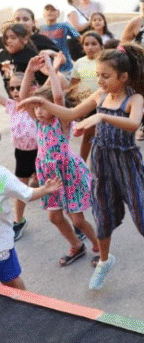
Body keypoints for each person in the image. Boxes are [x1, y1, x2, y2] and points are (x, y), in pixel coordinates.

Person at [19, 45, 144, 295]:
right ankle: (105, 261)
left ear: (123, 77)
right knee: (103, 216)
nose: (100, 81)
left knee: (143, 218)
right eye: (98, 75)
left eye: (105, 76)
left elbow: (133, 124)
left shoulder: (134, 99)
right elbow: (71, 113)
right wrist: (42, 102)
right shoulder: (100, 95)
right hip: (102, 161)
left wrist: (102, 117)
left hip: (126, 163)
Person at [20, 54, 100, 267]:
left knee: (78, 220)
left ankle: (99, 246)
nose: (39, 110)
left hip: (69, 173)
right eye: (36, 107)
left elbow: (58, 98)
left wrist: (50, 67)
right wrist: (29, 70)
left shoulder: (61, 122)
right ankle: (76, 245)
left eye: (43, 106)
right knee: (55, 218)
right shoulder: (39, 123)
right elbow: (24, 99)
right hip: (49, 176)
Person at [0, 167, 61, 289]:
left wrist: (45, 189)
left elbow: (26, 193)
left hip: (2, 247)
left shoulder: (2, 176)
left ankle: (25, 301)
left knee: (11, 281)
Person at [0, 72, 37, 241]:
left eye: (19, 87)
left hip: (41, 151)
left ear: (31, 87)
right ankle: (19, 220)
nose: (15, 91)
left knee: (52, 184)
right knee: (21, 186)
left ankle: (75, 221)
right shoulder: (12, 106)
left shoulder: (36, 104)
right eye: (12, 88)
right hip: (22, 152)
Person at [71, 31, 104, 161]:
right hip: (87, 104)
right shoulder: (79, 62)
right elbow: (73, 84)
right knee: (88, 136)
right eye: (86, 44)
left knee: (104, 137)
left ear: (101, 45)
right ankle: (82, 163)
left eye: (94, 44)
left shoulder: (105, 61)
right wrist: (77, 104)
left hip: (104, 103)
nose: (90, 47)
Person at [39, 4, 80, 76]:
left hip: (65, 68)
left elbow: (80, 38)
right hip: (47, 69)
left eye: (53, 10)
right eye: (47, 9)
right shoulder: (40, 29)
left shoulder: (64, 26)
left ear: (58, 14)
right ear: (43, 14)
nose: (49, 12)